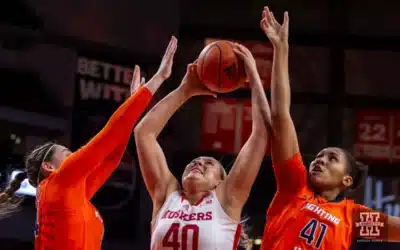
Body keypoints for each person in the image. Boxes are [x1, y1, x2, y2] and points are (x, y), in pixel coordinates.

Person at [0, 36, 178, 250]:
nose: (74, 155)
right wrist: (157, 79)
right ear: (49, 167)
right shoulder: (58, 182)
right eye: (67, 153)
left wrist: (132, 108)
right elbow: (108, 137)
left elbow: (112, 158)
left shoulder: (72, 193)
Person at [256, 7, 400, 249]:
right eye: (320, 156)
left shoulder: (352, 218)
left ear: (346, 180)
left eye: (331, 158)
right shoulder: (294, 186)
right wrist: (281, 50)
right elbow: (281, 115)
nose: (319, 160)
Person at [134, 43, 272, 249]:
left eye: (208, 163)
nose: (198, 162)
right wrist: (185, 90)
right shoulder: (167, 194)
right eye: (195, 161)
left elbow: (261, 134)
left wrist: (254, 76)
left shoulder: (227, 199)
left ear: (220, 181)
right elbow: (143, 133)